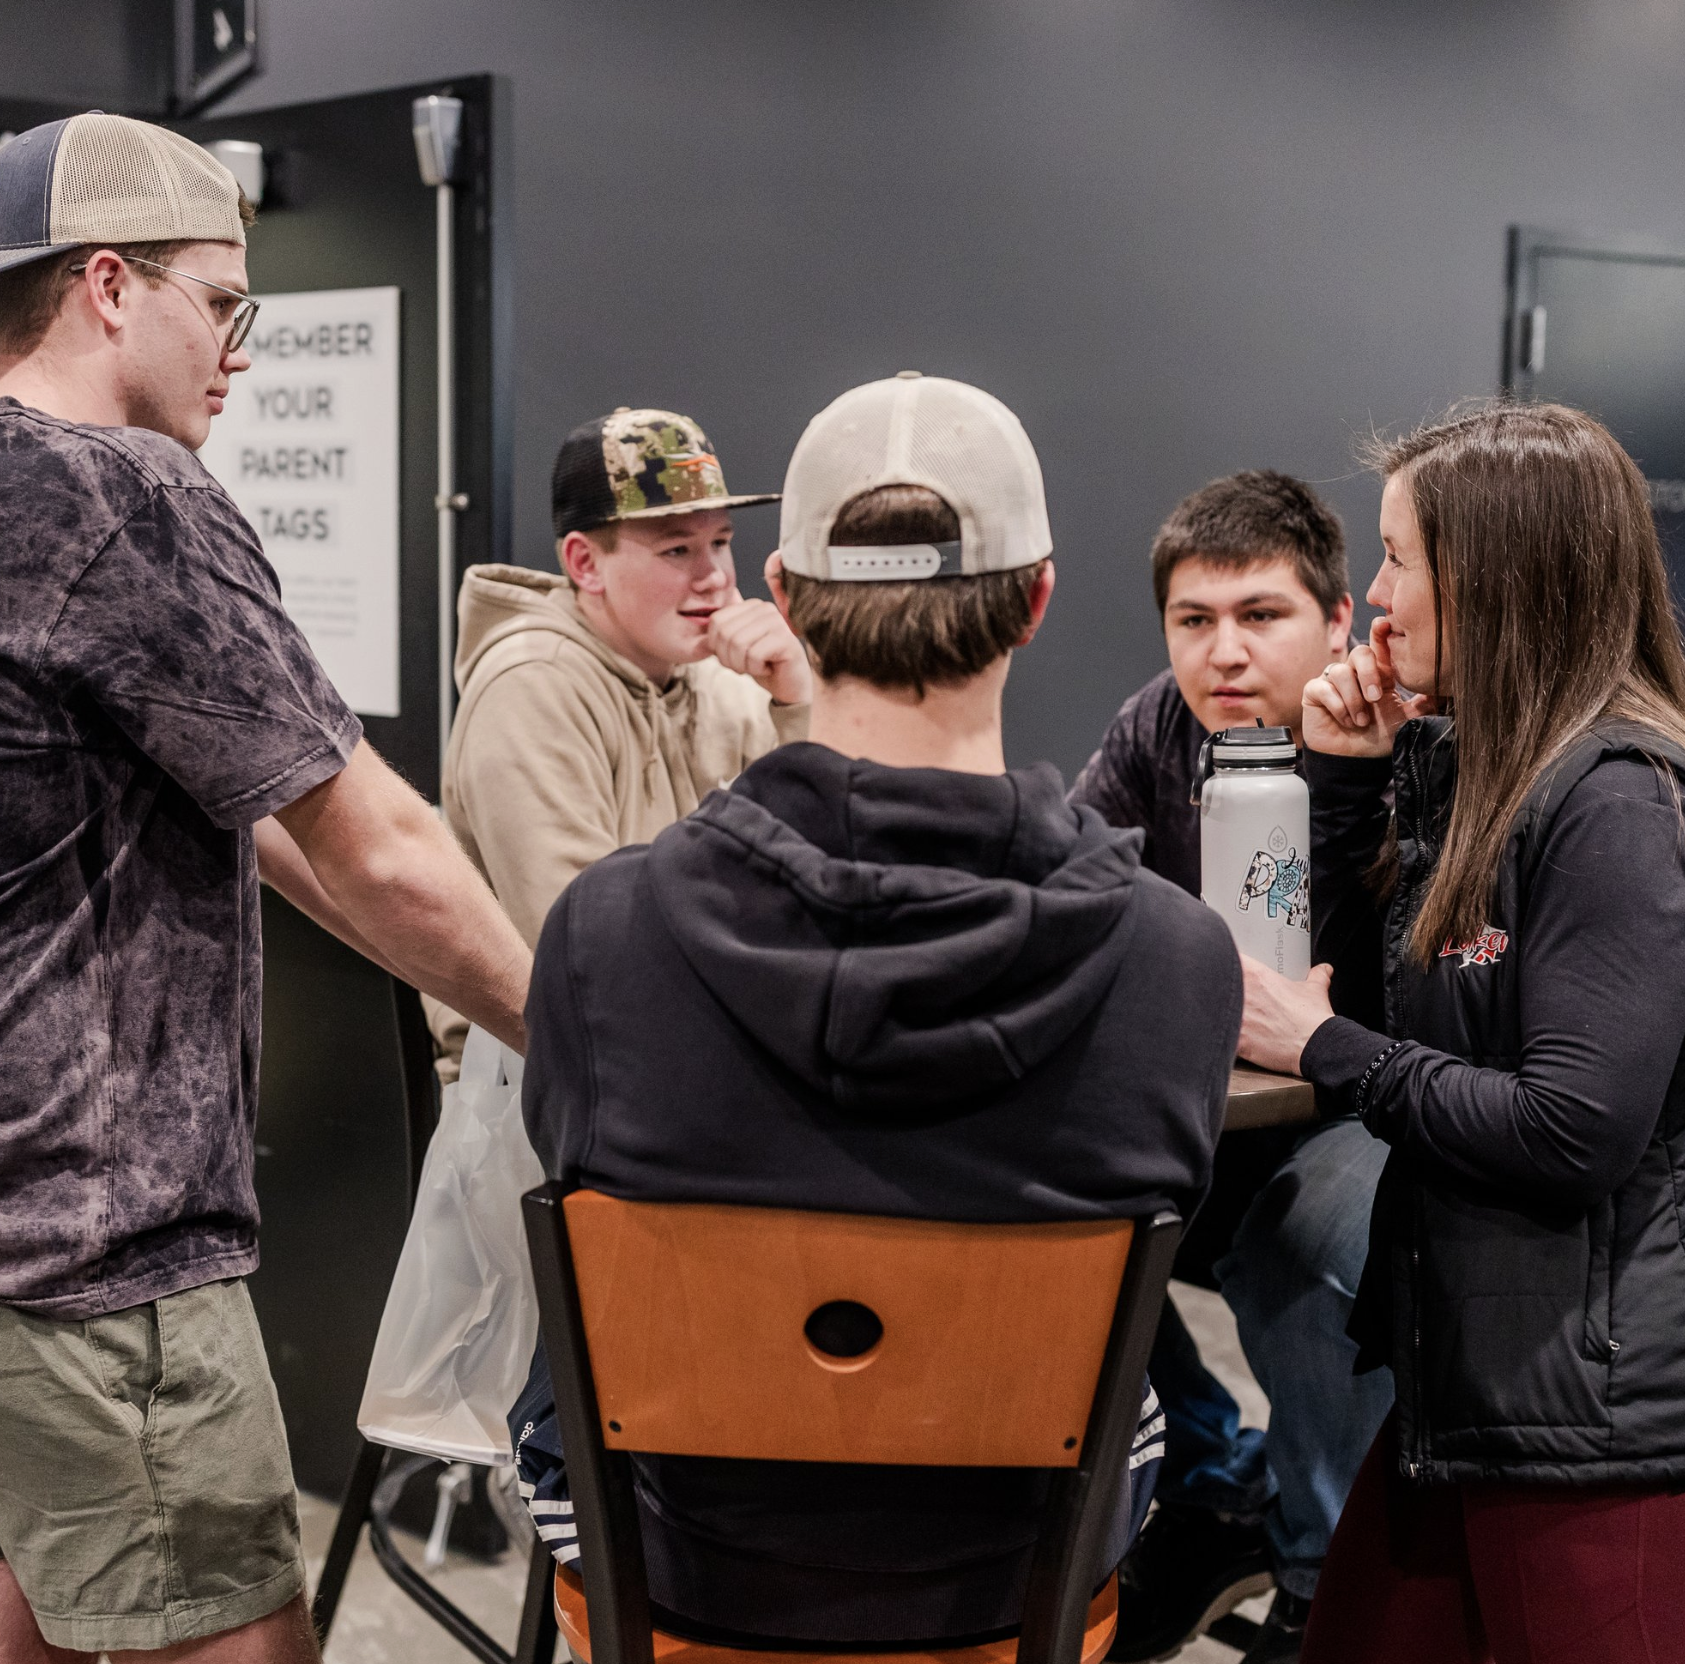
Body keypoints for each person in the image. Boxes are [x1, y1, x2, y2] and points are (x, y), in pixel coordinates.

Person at [0, 113, 533, 1663]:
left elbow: (242, 801)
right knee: (240, 1645)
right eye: (224, 299)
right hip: (89, 1249)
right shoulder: (125, 496)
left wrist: (414, 954)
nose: (241, 347)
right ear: (111, 286)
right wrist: (582, 1029)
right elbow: (372, 837)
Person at [510, 372, 1242, 1646]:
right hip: (1018, 1590)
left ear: (784, 597)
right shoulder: (1180, 962)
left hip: (683, 1584)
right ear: (1037, 598)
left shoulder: (600, 937)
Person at [1242, 402, 1685, 1663]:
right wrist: (1338, 778)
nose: (1375, 596)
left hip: (1594, 1419)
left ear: (1492, 578)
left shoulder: (1615, 799)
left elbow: (1572, 1127)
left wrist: (1327, 1046)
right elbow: (1387, 1011)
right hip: (1476, 1381)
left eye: (1397, 557)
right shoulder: (1483, 769)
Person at [1070, 472, 1390, 1663]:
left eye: (1261, 614)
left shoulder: (1412, 737)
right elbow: (1076, 886)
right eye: (1195, 620)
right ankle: (1215, 1479)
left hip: (1366, 1100)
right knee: (1052, 1196)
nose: (1225, 652)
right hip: (1214, 1107)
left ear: (1340, 616)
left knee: (1307, 1241)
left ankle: (1322, 1581)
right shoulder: (1159, 724)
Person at [423, 407, 810, 1079]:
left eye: (720, 541)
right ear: (584, 564)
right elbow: (590, 955)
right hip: (555, 1081)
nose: (715, 575)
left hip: (713, 1045)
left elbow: (832, 882)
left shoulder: (725, 677)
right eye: (676, 549)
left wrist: (799, 701)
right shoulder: (531, 688)